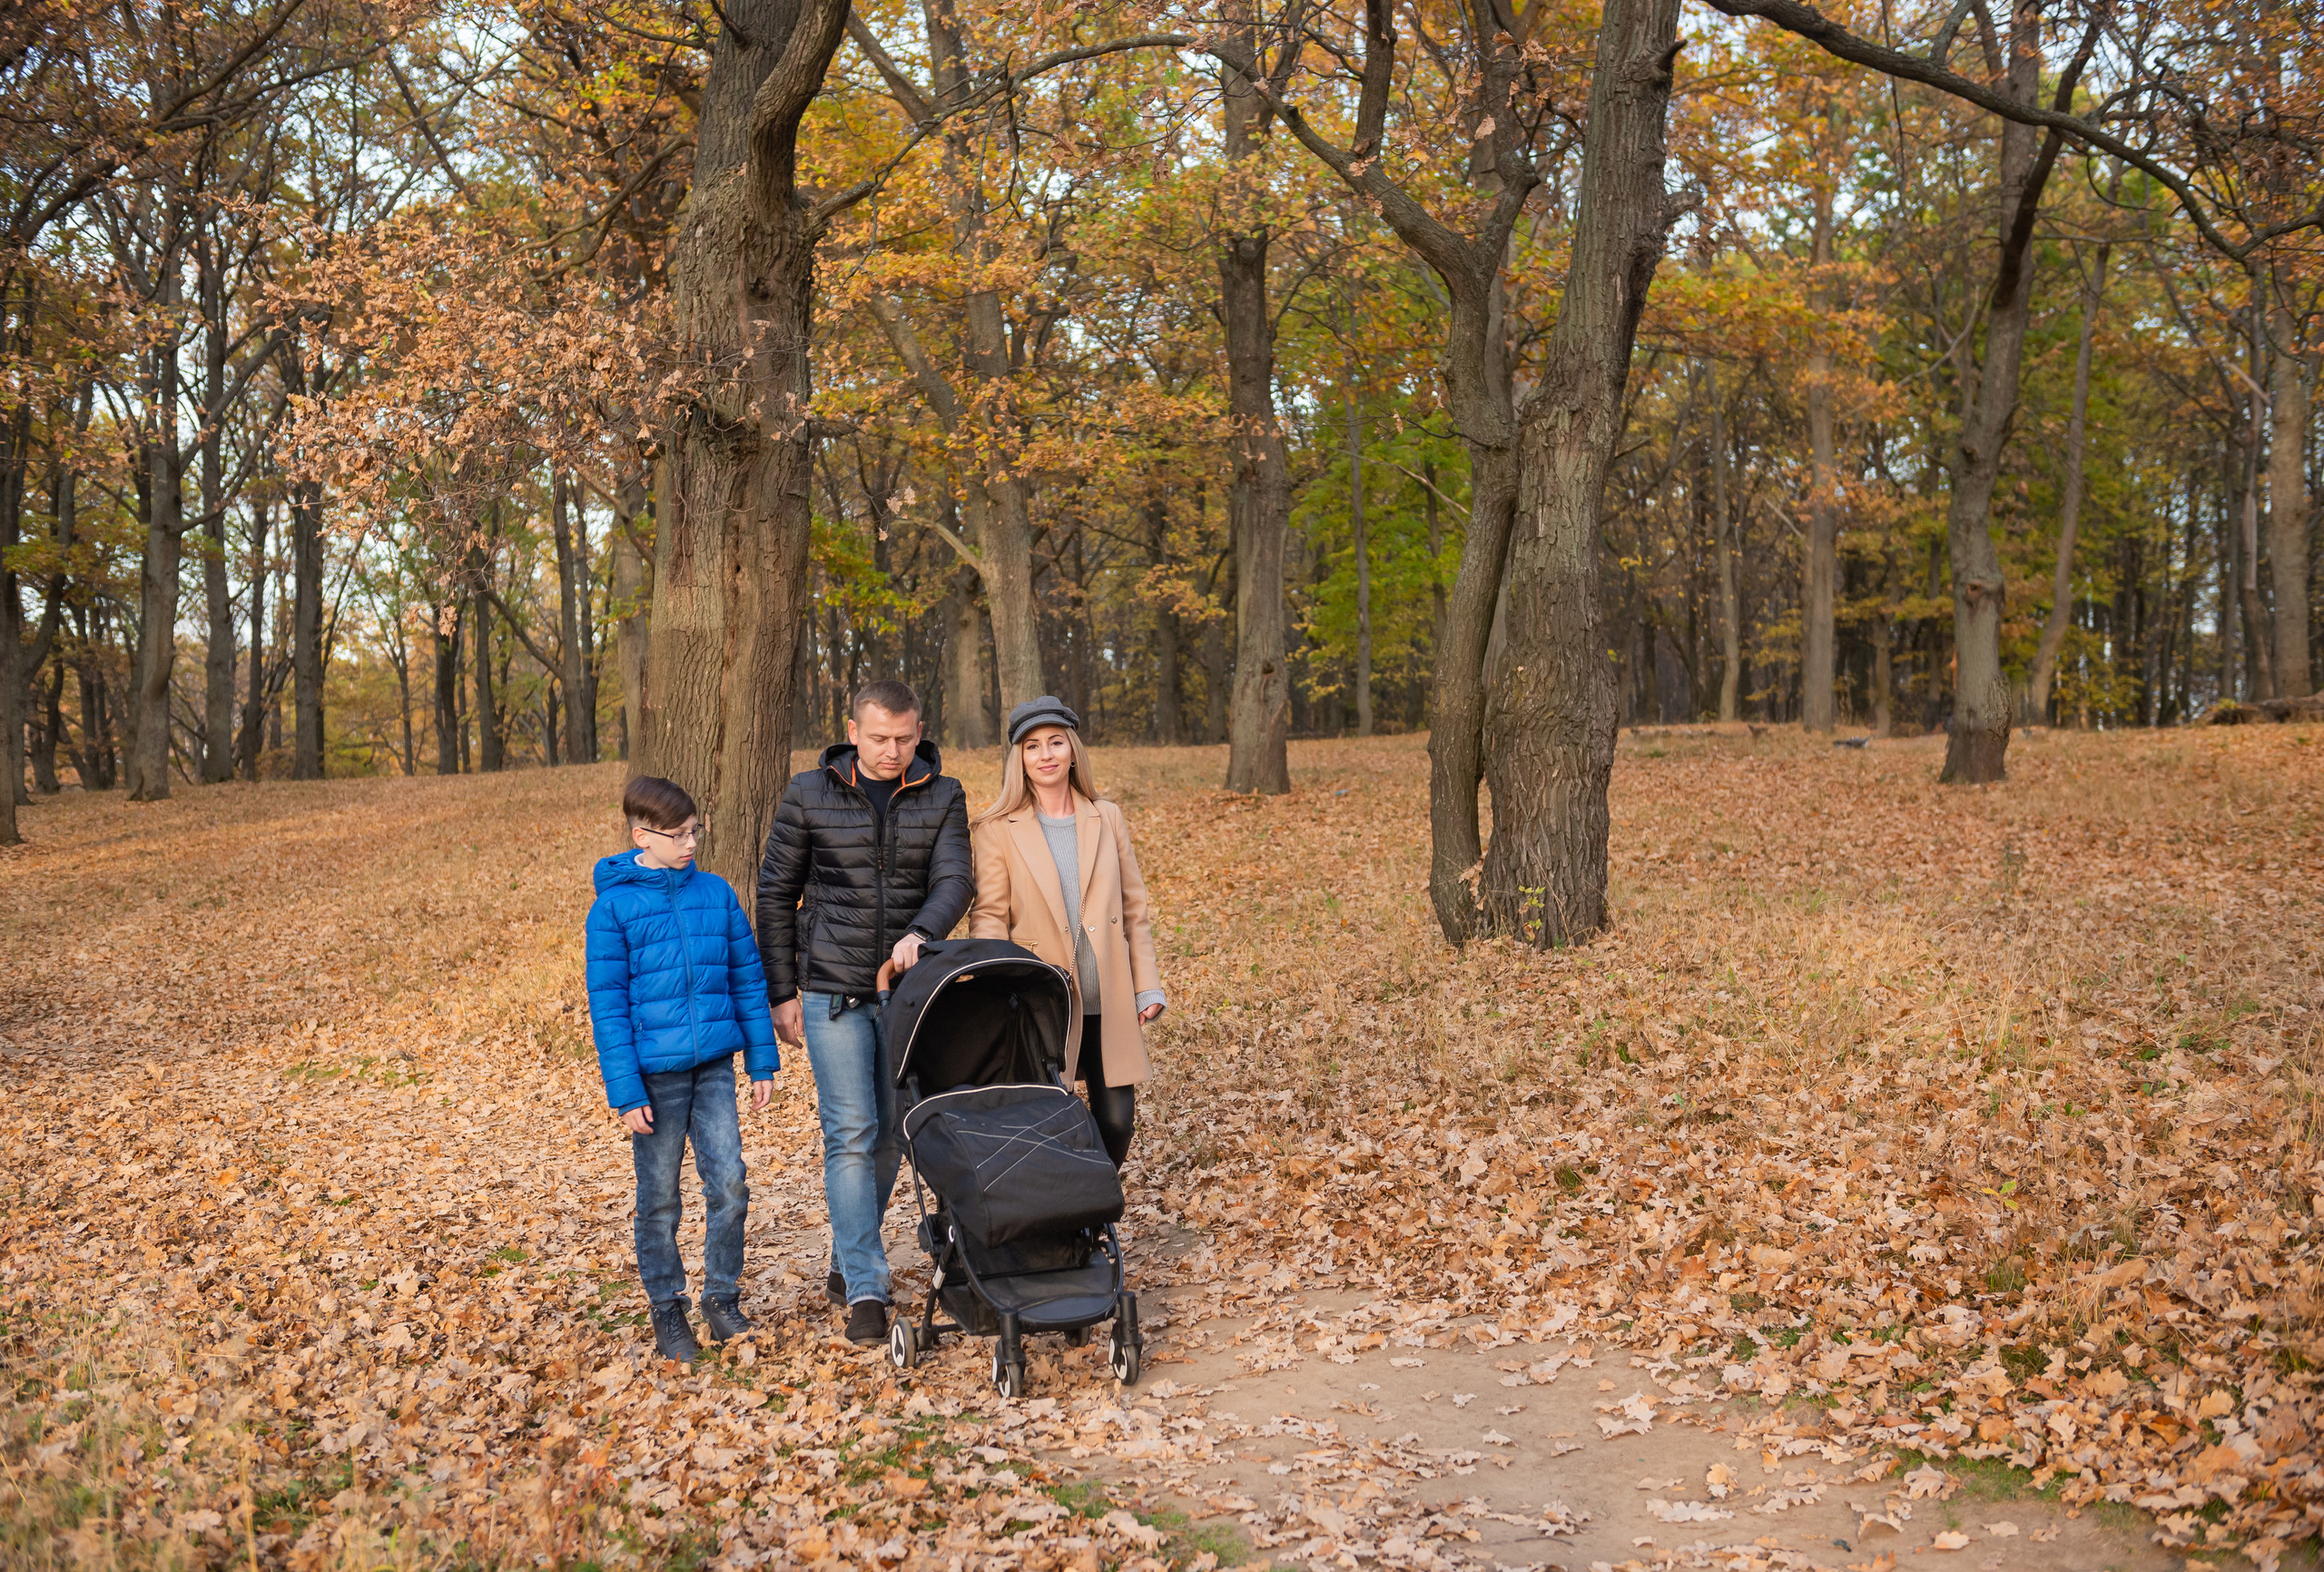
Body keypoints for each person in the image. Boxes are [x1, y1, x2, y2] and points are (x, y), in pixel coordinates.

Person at [757, 679, 972, 1344]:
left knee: (891, 1138)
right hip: (830, 991)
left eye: (905, 738)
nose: (893, 751)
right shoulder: (808, 792)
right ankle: (868, 1291)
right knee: (850, 1133)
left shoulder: (943, 793)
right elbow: (775, 894)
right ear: (853, 731)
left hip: (908, 992)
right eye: (879, 738)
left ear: (920, 729)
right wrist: (782, 992)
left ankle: (845, 1259)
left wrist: (922, 932)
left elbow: (954, 880)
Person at [586, 776, 780, 1366]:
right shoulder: (613, 909)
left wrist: (761, 1058)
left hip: (715, 1069)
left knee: (730, 1185)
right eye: (679, 834)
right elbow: (608, 1006)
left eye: (696, 830)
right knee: (661, 1199)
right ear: (643, 836)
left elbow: (747, 979)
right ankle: (667, 1307)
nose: (691, 842)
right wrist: (625, 1092)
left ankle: (721, 1299)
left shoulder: (717, 894)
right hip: (655, 1081)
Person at [969, 697, 1164, 1166]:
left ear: (1073, 750)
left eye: (1056, 742)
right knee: (1051, 1121)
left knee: (1117, 1122)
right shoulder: (997, 829)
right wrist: (998, 986)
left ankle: (1092, 1209)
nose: (1046, 754)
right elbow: (989, 916)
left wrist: (1148, 984)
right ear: (1019, 758)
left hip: (1108, 996)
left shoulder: (1106, 816)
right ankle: (1067, 1225)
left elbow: (1134, 908)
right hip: (1041, 999)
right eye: (1033, 746)